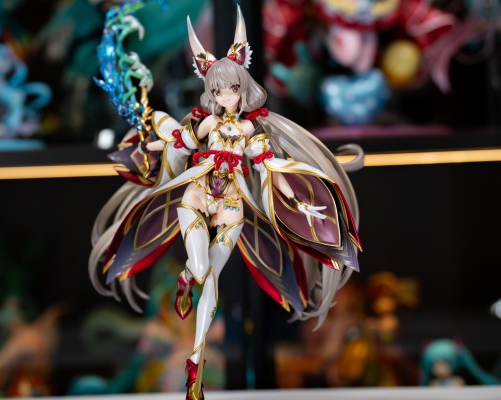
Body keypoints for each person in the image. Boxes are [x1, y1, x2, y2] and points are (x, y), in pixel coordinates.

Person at [90, 6, 362, 400]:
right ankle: (189, 275)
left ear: (242, 88)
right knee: (201, 268)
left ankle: (196, 364)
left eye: (231, 88)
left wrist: (300, 205)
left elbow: (269, 169)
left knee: (211, 279)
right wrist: (150, 143)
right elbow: (178, 143)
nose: (224, 96)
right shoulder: (206, 123)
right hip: (197, 193)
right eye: (217, 90)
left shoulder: (252, 129)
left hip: (233, 205)